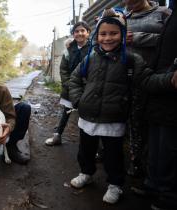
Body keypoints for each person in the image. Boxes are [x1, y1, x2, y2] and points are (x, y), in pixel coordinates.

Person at [68, 8, 146, 204]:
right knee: (86, 150)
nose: (108, 38)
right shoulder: (91, 57)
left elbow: (148, 81)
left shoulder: (131, 59)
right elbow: (75, 79)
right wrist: (78, 100)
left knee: (113, 155)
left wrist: (169, 80)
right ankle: (86, 173)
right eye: (103, 34)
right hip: (88, 116)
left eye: (113, 33)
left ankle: (115, 184)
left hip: (113, 118)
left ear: (122, 35)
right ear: (97, 35)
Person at [134, 0, 177, 209]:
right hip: (153, 84)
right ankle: (152, 185)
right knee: (154, 141)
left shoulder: (163, 12)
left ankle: (167, 196)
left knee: (168, 145)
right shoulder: (172, 14)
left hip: (168, 85)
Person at [123, 0, 171, 177]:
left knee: (151, 125)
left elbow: (170, 40)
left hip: (154, 78)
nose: (130, 3)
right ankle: (136, 164)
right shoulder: (124, 17)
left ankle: (153, 170)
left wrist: (138, 38)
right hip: (127, 79)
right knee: (133, 123)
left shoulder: (163, 13)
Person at [45, 21, 91, 146]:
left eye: (83, 31)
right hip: (70, 86)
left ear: (88, 33)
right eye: (76, 31)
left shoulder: (94, 48)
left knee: (88, 116)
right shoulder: (69, 49)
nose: (80, 33)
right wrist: (68, 84)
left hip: (88, 88)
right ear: (73, 34)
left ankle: (91, 146)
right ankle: (57, 136)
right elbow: (63, 69)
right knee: (66, 111)